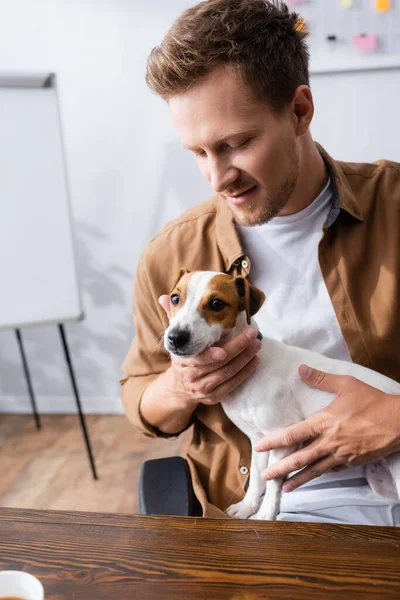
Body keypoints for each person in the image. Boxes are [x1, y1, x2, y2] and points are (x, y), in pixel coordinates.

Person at [120, 0, 400, 525]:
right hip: (277, 513)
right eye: (198, 152)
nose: (217, 176)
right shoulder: (170, 256)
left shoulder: (396, 208)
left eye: (236, 143)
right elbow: (142, 398)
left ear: (299, 110)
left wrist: (395, 417)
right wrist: (183, 385)